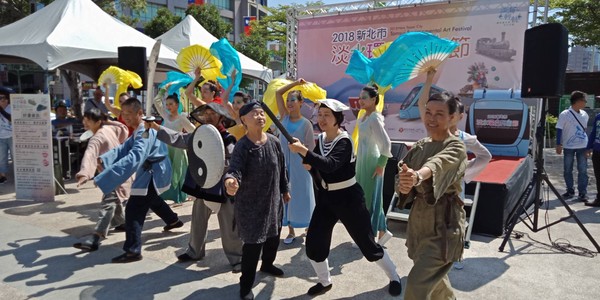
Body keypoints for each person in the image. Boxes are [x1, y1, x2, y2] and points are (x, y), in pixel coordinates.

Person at [288, 99, 401, 297]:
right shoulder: (322, 139)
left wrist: (305, 152)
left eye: (327, 115)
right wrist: (311, 166)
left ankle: (394, 276)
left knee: (367, 245)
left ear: (337, 119)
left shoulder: (345, 141)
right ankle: (324, 281)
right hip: (326, 198)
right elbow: (319, 169)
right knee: (315, 242)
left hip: (348, 198)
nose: (322, 119)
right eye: (320, 115)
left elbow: (331, 164)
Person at [148, 102, 243, 272]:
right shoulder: (198, 135)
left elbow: (232, 162)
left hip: (222, 187)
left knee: (229, 225)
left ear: (220, 117)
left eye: (212, 113)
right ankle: (194, 251)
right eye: (205, 114)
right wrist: (156, 127)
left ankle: (237, 258)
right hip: (203, 185)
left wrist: (229, 180)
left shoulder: (228, 138)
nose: (208, 117)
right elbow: (179, 139)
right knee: (198, 221)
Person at [94, 98, 184, 263]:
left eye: (129, 113)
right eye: (123, 114)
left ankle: (132, 250)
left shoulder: (145, 131)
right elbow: (125, 147)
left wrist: (107, 176)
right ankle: (173, 220)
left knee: (134, 209)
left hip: (153, 173)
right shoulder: (139, 129)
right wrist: (105, 159)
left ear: (140, 113)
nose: (126, 117)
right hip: (152, 171)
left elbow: (135, 157)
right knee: (152, 199)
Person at [397, 91, 467, 300]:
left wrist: (417, 176)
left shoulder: (456, 146)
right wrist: (404, 182)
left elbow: (437, 164)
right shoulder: (421, 145)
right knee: (435, 282)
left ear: (452, 117)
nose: (432, 118)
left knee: (417, 285)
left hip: (443, 227)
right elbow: (402, 176)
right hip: (419, 223)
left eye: (439, 114)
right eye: (428, 112)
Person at [224, 101, 290, 300]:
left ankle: (268, 264)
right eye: (255, 114)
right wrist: (231, 181)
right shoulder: (242, 146)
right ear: (243, 120)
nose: (260, 116)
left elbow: (281, 168)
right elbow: (234, 170)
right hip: (251, 206)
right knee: (252, 247)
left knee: (273, 237)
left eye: (262, 113)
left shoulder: (274, 141)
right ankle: (245, 286)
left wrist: (285, 190)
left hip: (273, 202)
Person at [73, 108, 131, 251]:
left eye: (89, 120)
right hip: (120, 172)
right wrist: (107, 121)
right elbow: (123, 128)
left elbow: (90, 155)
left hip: (113, 175)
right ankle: (122, 222)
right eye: (84, 119)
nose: (85, 123)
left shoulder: (97, 137)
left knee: (108, 204)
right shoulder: (109, 129)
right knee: (114, 200)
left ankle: (96, 236)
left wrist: (84, 173)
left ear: (98, 122)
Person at [275, 79, 316, 244]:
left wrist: (308, 163)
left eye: (293, 100)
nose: (289, 103)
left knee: (304, 196)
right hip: (283, 165)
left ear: (301, 103)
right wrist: (294, 84)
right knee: (286, 196)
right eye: (288, 100)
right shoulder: (283, 117)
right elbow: (278, 93)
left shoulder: (306, 124)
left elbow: (310, 148)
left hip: (301, 167)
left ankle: (308, 227)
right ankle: (290, 231)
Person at [355, 85, 393, 246]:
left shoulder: (374, 118)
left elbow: (386, 143)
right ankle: (382, 231)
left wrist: (381, 165)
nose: (360, 100)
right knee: (367, 198)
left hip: (372, 163)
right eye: (360, 97)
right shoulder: (364, 116)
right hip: (362, 161)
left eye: (364, 97)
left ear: (373, 99)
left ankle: (368, 234)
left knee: (369, 199)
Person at [153, 83, 195, 204]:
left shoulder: (182, 118)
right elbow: (156, 101)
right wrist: (163, 90)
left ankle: (181, 196)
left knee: (179, 172)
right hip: (165, 148)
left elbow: (193, 130)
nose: (168, 107)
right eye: (167, 105)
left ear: (177, 105)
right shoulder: (165, 115)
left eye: (171, 104)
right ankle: (166, 195)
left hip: (178, 148)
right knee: (166, 172)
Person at [556, 91, 590, 201]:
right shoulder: (565, 114)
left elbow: (585, 130)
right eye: (584, 101)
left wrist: (589, 146)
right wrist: (558, 143)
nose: (585, 103)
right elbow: (559, 129)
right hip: (568, 146)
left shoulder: (585, 114)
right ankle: (570, 190)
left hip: (582, 145)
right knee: (567, 169)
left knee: (583, 170)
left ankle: (582, 192)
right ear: (578, 101)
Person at [586, 109, 600, 207]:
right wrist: (589, 147)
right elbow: (593, 132)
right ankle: (599, 199)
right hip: (597, 150)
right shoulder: (598, 116)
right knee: (598, 175)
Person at [0, 89, 12, 184]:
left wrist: (1, 110)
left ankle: (18, 176)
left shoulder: (11, 108)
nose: (1, 100)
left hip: (12, 136)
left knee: (14, 156)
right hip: (1, 137)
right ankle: (2, 176)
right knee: (2, 157)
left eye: (2, 98)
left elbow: (11, 119)